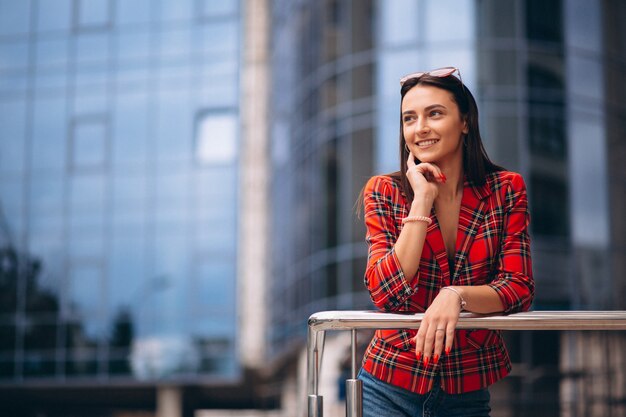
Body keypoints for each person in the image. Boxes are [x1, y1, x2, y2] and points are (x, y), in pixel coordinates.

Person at [359, 67, 534, 417]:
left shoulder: (505, 189)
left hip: (467, 387)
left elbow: (519, 288)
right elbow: (386, 292)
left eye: (434, 114)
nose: (420, 127)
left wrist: (456, 295)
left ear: (465, 121)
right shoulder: (385, 190)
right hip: (388, 384)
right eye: (409, 118)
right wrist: (421, 201)